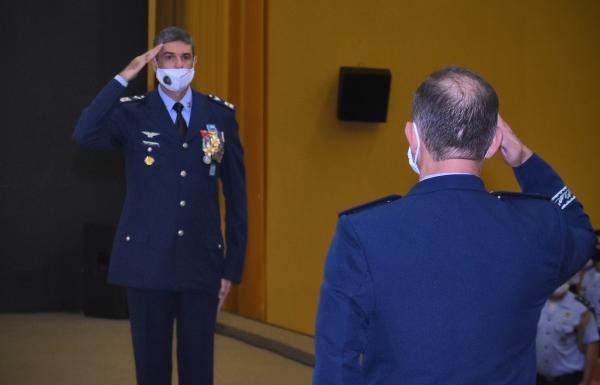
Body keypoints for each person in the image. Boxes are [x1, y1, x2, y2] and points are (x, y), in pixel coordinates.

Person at [313, 66, 596, 384]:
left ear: (413, 136)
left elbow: (336, 366)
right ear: (493, 143)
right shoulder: (536, 228)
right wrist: (524, 159)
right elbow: (583, 233)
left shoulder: (364, 233)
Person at [73, 26, 247, 385]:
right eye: (169, 57)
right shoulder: (134, 113)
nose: (178, 65)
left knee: (198, 368)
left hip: (201, 263)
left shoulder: (220, 116)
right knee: (151, 369)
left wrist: (231, 267)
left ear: (195, 62)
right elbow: (85, 132)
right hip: (147, 263)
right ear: (155, 63)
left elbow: (237, 195)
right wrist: (125, 75)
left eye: (185, 57)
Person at [536, 282, 599, 385]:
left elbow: (592, 345)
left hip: (568, 380)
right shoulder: (535, 304)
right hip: (538, 379)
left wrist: (586, 381)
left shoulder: (582, 308)